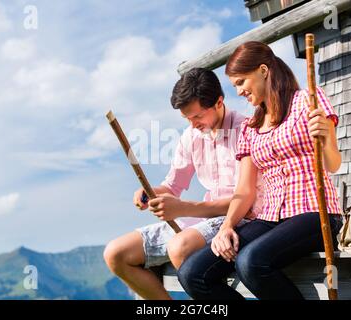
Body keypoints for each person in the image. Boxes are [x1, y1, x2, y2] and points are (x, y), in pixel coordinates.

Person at [177, 41, 343, 300]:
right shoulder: (250, 127)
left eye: (241, 82)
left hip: (315, 211)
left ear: (263, 70)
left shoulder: (308, 100)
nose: (240, 91)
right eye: (235, 86)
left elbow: (333, 164)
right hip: (270, 217)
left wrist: (323, 138)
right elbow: (244, 190)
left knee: (250, 262)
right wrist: (227, 227)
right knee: (192, 274)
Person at [103, 68, 263, 300]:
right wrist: (149, 194)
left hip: (239, 220)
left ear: (219, 102)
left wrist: (183, 208)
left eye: (197, 116)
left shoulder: (247, 130)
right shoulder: (191, 136)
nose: (193, 124)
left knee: (180, 247)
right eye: (187, 118)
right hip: (200, 220)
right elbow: (172, 186)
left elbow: (248, 200)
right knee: (116, 254)